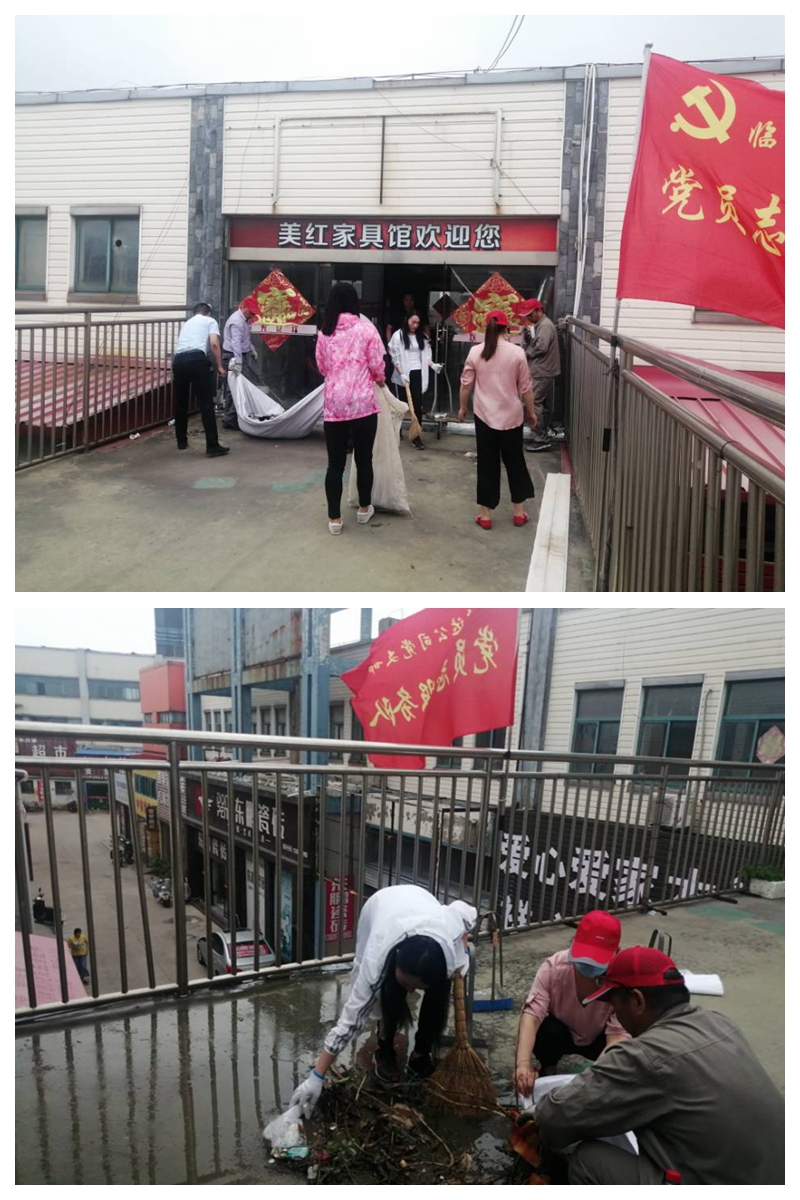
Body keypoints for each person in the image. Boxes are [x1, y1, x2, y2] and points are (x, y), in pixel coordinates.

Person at [533, 947, 785, 1185]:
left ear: (637, 1001)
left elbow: (555, 1117)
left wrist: (537, 1116)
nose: (614, 1014)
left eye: (614, 1005)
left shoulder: (645, 1055)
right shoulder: (719, 1023)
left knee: (590, 1160)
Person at [282, 885, 477, 1120]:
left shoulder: (450, 945)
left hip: (423, 903)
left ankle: (421, 1052)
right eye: (406, 983)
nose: (411, 991)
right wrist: (317, 1075)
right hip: (382, 907)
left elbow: (466, 912)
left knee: (437, 1000)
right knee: (388, 995)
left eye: (417, 987)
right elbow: (351, 1021)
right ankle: (384, 1047)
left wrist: (463, 938)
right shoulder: (377, 960)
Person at [514, 910, 628, 1099]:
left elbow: (617, 1037)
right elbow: (531, 1016)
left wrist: (591, 1082)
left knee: (624, 1055)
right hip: (562, 1032)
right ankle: (548, 1068)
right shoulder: (554, 968)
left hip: (601, 1038)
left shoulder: (621, 980)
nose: (588, 966)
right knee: (546, 1030)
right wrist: (523, 1065)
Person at [314, 282, 386, 535]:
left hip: (335, 405)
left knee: (334, 464)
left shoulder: (325, 332)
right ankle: (364, 508)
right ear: (355, 302)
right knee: (364, 458)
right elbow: (377, 364)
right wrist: (379, 379)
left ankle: (334, 519)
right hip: (363, 404)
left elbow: (322, 367)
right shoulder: (367, 329)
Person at [458, 310, 537, 529]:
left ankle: (485, 516)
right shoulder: (517, 353)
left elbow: (466, 385)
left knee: (487, 463)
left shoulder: (476, 352)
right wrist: (531, 412)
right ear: (506, 329)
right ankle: (519, 513)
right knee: (515, 462)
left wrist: (463, 408)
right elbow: (526, 388)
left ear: (487, 328)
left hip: (484, 416)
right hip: (512, 417)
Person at [172, 302, 229, 457]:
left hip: (179, 361)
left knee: (181, 403)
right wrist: (219, 366)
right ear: (208, 313)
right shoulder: (210, 321)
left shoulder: (187, 323)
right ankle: (212, 446)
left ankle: (181, 441)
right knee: (206, 403)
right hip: (197, 360)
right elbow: (214, 344)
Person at [388, 312, 443, 449]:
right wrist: (401, 373)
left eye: (418, 323)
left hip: (417, 372)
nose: (415, 325)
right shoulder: (398, 336)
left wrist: (432, 365)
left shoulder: (422, 337)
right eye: (413, 322)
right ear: (407, 320)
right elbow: (395, 356)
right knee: (401, 405)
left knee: (417, 405)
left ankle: (416, 436)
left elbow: (426, 355)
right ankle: (397, 431)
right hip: (403, 373)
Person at [519, 298, 561, 453]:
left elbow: (541, 347)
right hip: (544, 370)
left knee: (533, 402)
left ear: (539, 311)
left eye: (530, 314)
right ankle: (541, 435)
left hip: (542, 371)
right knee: (540, 404)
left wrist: (526, 353)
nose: (528, 318)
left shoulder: (545, 326)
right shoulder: (542, 325)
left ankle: (540, 438)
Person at [221, 297, 261, 431]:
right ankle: (231, 419)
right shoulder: (237, 321)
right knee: (236, 388)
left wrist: (251, 348)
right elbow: (236, 343)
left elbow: (244, 339)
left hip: (236, 356)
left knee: (233, 388)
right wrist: (238, 362)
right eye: (251, 313)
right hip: (233, 357)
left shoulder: (243, 320)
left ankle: (229, 418)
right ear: (243, 307)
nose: (252, 316)